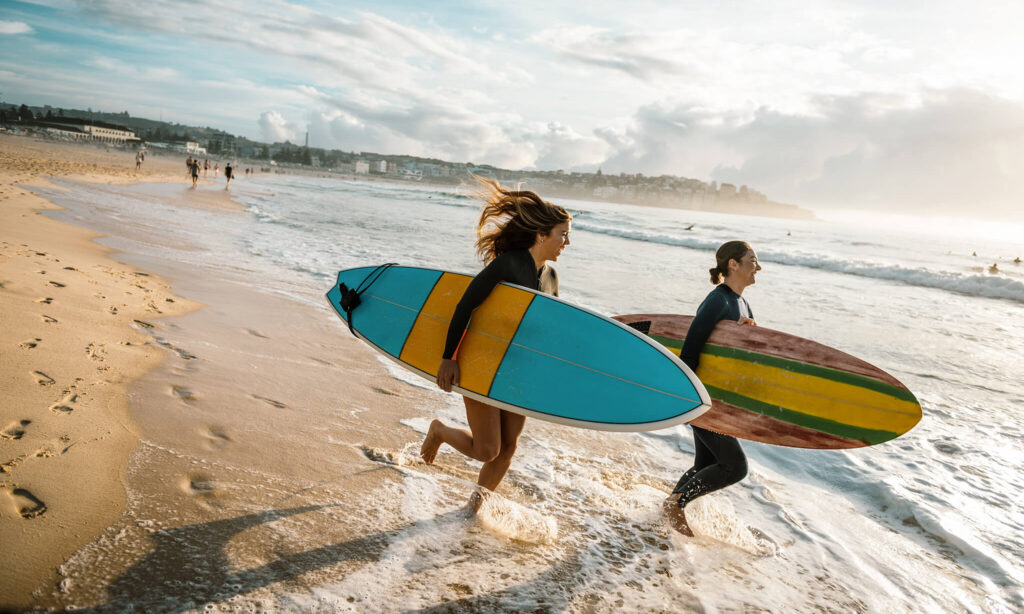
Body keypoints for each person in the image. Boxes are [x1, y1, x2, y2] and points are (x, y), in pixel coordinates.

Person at [420, 178, 572, 507]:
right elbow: (466, 304)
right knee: (487, 449)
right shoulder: (509, 264)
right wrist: (449, 358)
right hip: (483, 362)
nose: (567, 242)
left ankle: (475, 508)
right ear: (542, 234)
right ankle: (439, 431)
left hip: (517, 369)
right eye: (563, 234)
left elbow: (548, 327)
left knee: (509, 449)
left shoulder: (551, 277)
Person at [663, 240, 760, 536]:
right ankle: (676, 505)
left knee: (708, 462)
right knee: (734, 466)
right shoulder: (717, 300)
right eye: (753, 259)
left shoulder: (742, 303)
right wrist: (686, 397)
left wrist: (748, 333)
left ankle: (668, 509)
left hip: (718, 398)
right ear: (733, 264)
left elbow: (733, 355)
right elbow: (691, 347)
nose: (759, 266)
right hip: (700, 397)